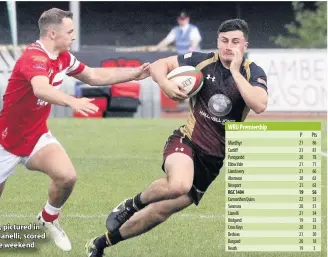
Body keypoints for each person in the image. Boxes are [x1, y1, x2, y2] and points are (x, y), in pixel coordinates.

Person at [0, 7, 150, 257]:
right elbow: (40, 89)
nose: (73, 36)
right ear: (53, 33)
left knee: (67, 177)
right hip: (4, 143)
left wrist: (135, 74)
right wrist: (71, 101)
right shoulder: (33, 57)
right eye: (70, 31)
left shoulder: (64, 57)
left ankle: (48, 217)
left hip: (36, 137)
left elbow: (93, 75)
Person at [85, 18, 268, 257]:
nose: (228, 46)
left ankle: (101, 244)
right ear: (217, 41)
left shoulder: (252, 72)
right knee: (178, 183)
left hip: (212, 160)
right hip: (187, 140)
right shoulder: (201, 60)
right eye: (224, 41)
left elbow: (260, 104)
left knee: (160, 212)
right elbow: (160, 64)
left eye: (235, 41)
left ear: (244, 45)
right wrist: (165, 84)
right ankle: (131, 204)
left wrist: (235, 72)